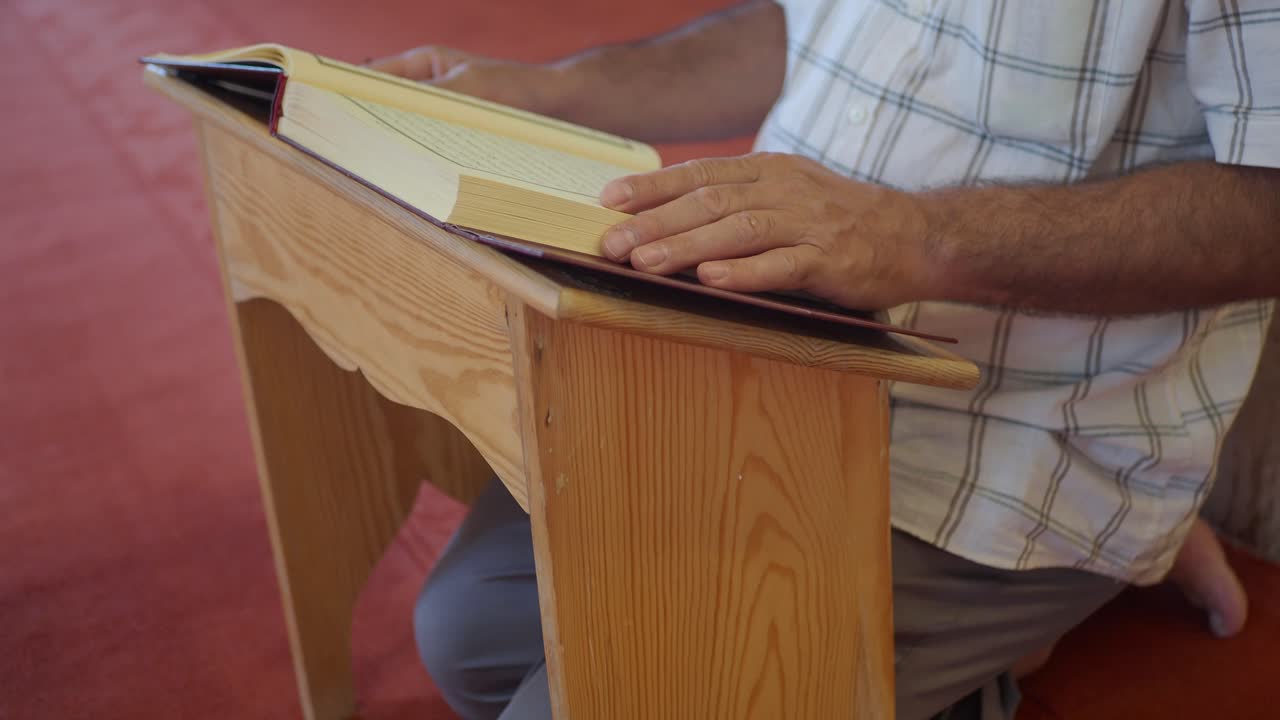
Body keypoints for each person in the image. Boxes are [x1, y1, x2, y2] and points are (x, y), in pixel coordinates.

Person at [370, 1, 1278, 717]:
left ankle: (1066, 572)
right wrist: (553, 92)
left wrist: (910, 236)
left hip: (1021, 427)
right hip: (770, 349)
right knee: (468, 635)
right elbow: (801, 27)